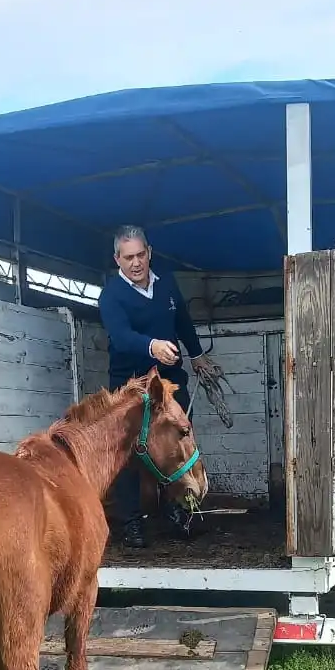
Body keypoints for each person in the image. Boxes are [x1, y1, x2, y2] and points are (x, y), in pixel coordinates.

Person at [98, 226, 216, 548]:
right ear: (117, 259)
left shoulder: (166, 284)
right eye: (128, 257)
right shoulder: (111, 296)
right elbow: (121, 338)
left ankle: (180, 511)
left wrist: (197, 355)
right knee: (126, 455)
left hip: (170, 382)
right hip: (131, 387)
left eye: (140, 255)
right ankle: (131, 522)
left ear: (149, 252)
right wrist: (152, 346)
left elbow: (182, 322)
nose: (135, 263)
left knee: (178, 444)